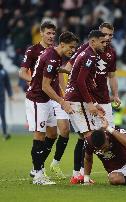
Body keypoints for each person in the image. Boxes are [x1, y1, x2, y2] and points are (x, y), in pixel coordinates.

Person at [19, 21, 71, 179]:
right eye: (48, 33)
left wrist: (64, 93)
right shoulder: (33, 50)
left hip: (53, 96)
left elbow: (59, 73)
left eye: (53, 34)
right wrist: (33, 81)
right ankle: (38, 170)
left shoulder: (55, 51)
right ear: (41, 33)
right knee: (40, 133)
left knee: (54, 134)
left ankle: (38, 166)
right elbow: (22, 72)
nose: (51, 36)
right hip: (40, 94)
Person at [26, 31, 79, 185]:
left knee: (52, 134)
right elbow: (45, 86)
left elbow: (52, 70)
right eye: (71, 47)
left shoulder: (54, 54)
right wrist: (63, 102)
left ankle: (37, 169)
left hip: (46, 101)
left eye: (75, 47)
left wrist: (65, 71)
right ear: (62, 44)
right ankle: (38, 175)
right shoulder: (51, 57)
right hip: (37, 99)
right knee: (39, 136)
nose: (73, 50)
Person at [65, 30, 106, 184]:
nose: (105, 44)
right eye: (101, 41)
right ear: (93, 42)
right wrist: (90, 103)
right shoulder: (89, 56)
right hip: (77, 100)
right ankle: (83, 175)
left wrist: (93, 102)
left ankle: (77, 174)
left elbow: (79, 79)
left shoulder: (87, 54)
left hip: (73, 99)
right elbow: (80, 81)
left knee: (83, 138)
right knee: (90, 137)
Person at [0, 61, 13, 140]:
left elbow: (7, 84)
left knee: (2, 115)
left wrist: (10, 94)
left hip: (1, 97)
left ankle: (5, 133)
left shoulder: (3, 71)